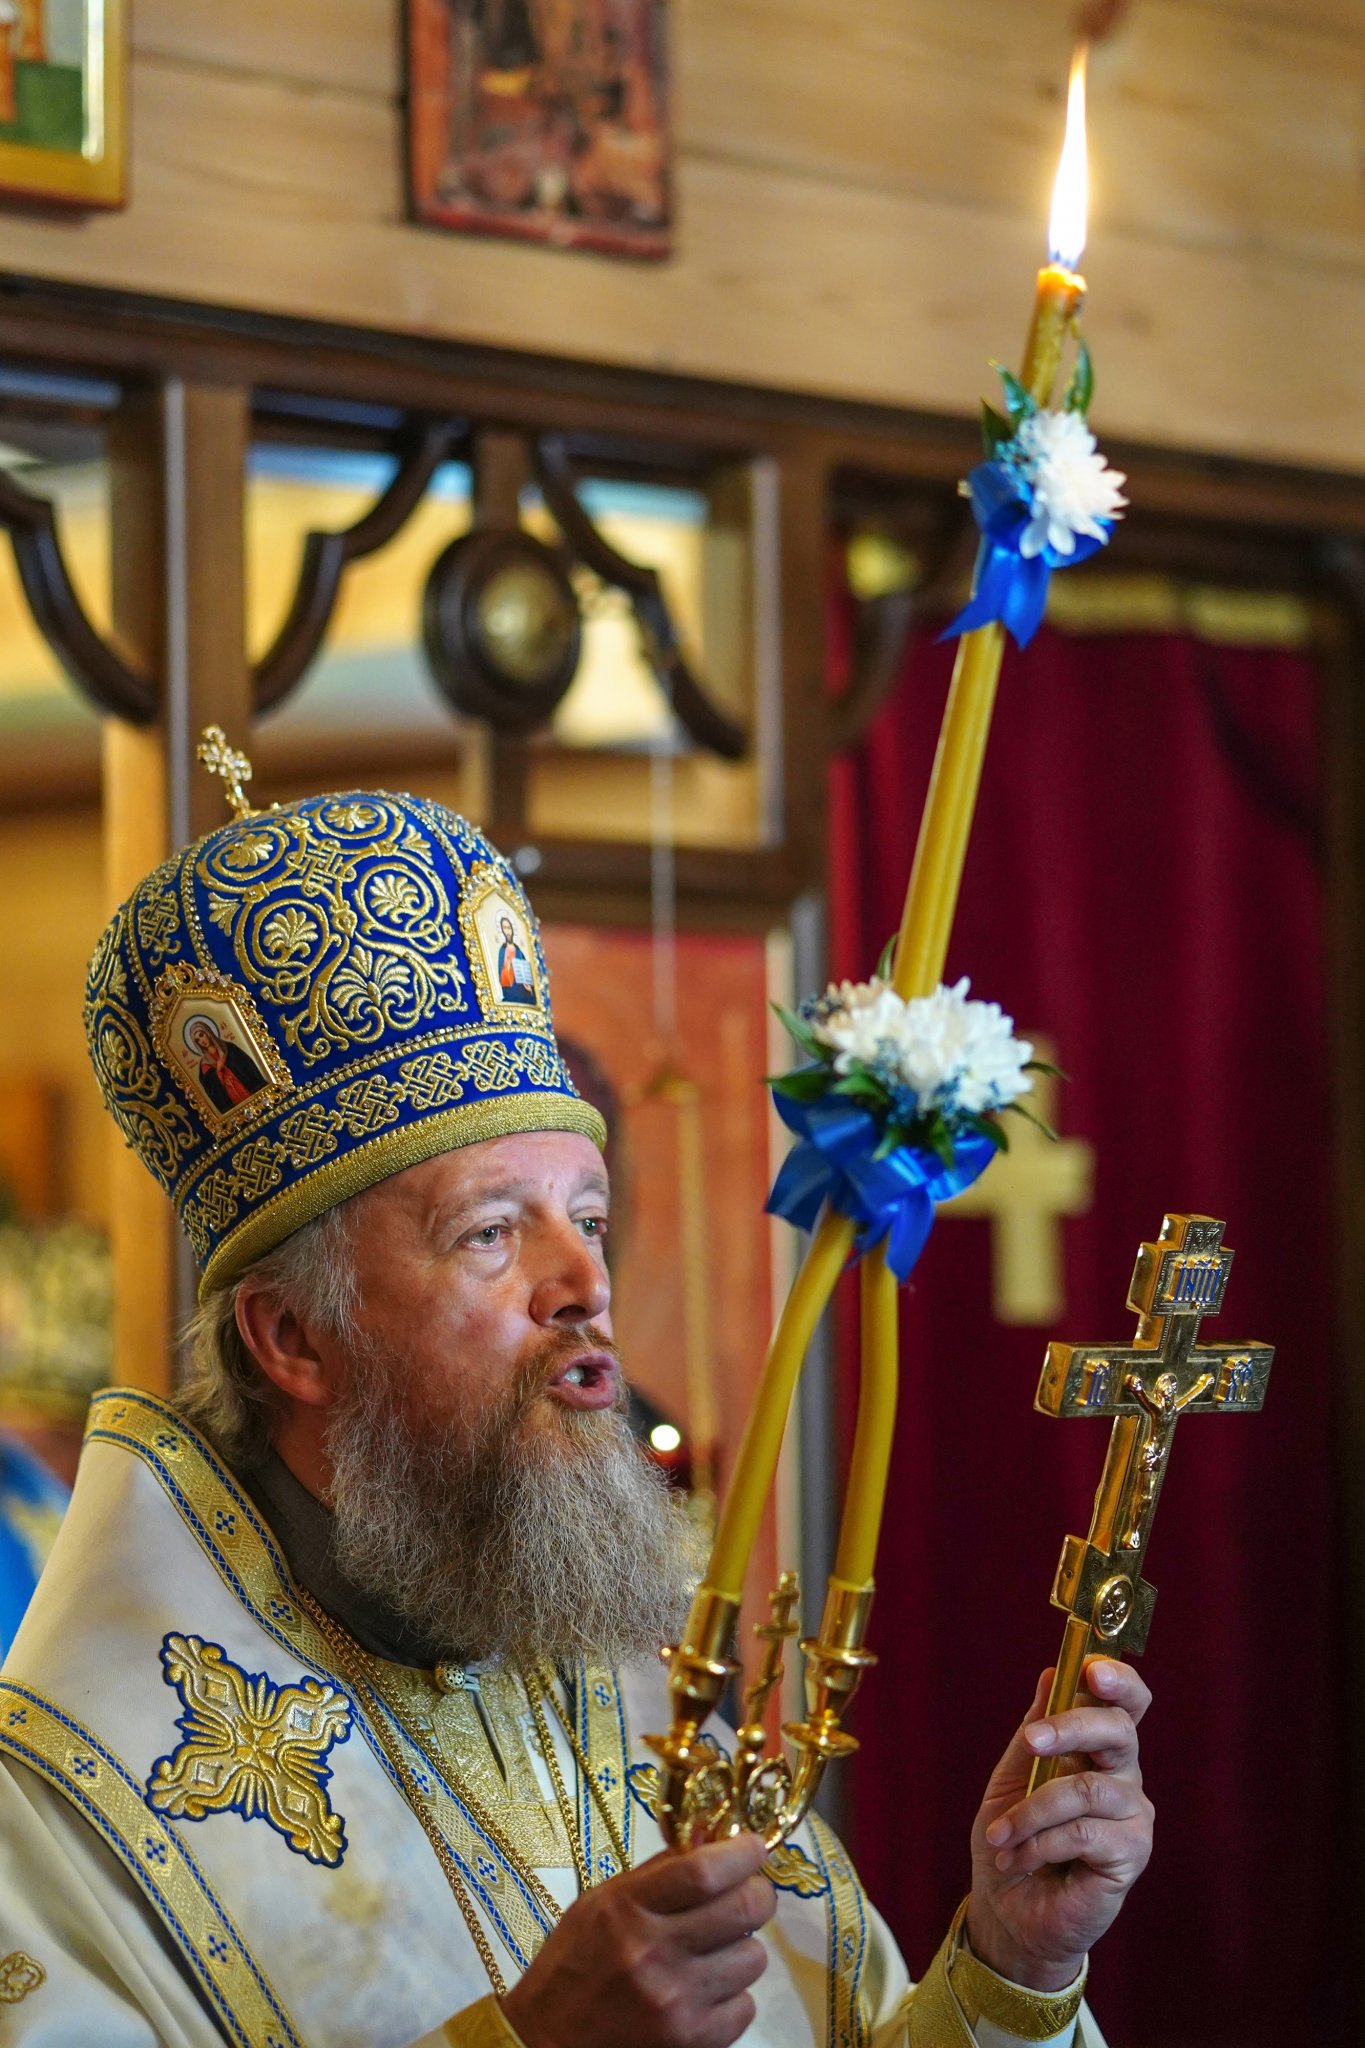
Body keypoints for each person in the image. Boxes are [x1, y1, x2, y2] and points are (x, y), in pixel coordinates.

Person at [0, 780, 1153, 2046]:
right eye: (492, 1233)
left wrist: (1010, 1968)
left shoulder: (609, 1670)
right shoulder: (67, 1798)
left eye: (588, 1220)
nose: (588, 1285)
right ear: (295, 1338)